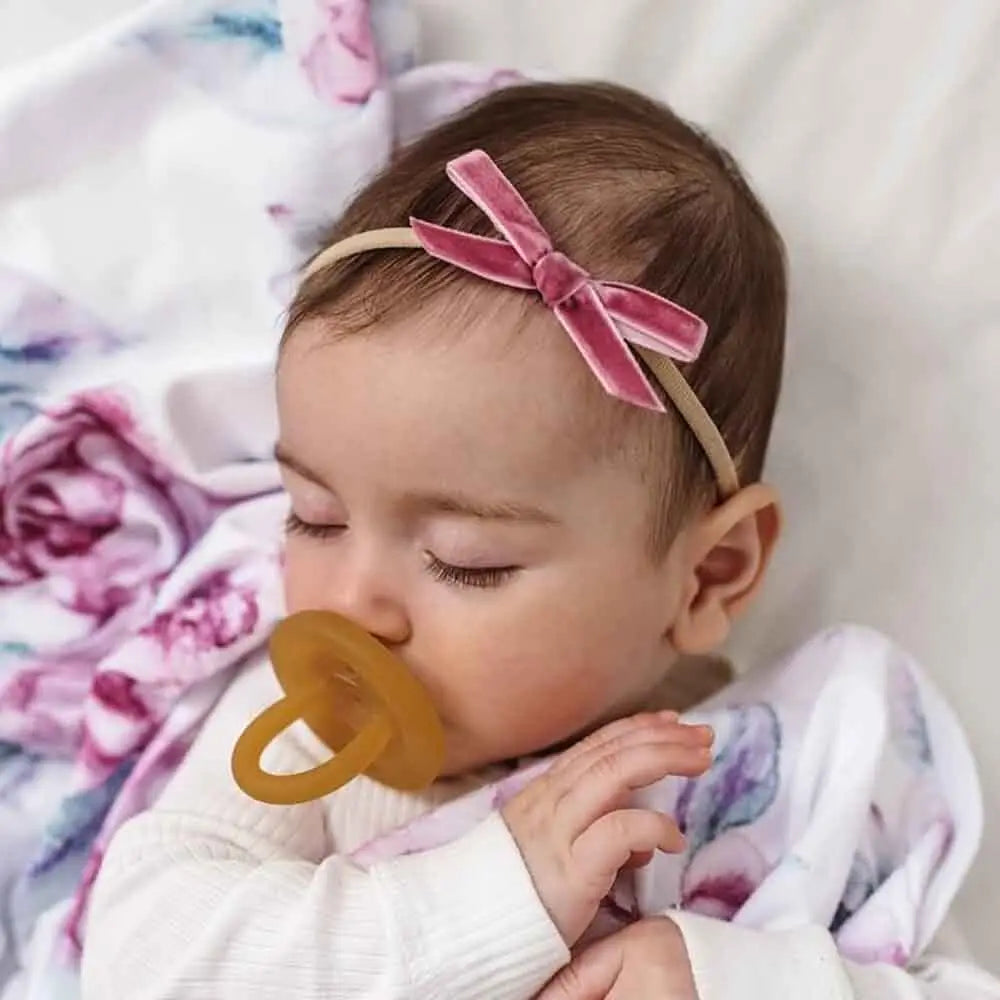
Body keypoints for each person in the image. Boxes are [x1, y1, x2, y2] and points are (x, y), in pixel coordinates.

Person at [80, 81, 999, 999]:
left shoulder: (788, 766)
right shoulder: (302, 739)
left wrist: (729, 981)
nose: (352, 602)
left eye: (463, 559)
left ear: (707, 576)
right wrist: (498, 899)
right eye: (313, 515)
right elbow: (137, 960)